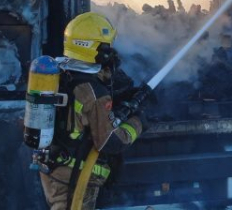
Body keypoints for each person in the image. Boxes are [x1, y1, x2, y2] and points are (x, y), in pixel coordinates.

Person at [38, 12, 151, 210]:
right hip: (76, 174)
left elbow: (77, 113)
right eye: (107, 46)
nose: (111, 51)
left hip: (53, 167)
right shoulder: (93, 91)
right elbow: (110, 142)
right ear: (97, 49)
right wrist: (138, 122)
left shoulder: (58, 70)